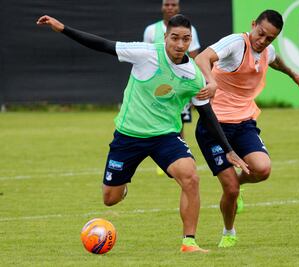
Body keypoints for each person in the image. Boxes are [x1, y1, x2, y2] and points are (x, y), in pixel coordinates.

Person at [36, 14, 249, 253]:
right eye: (175, 38)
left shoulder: (193, 76)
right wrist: (63, 28)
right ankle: (122, 186)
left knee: (191, 177)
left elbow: (207, 114)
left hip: (165, 137)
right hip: (128, 136)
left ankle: (189, 242)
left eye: (186, 39)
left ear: (191, 41)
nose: (180, 44)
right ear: (165, 36)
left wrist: (228, 150)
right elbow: (103, 45)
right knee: (110, 199)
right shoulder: (145, 53)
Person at [194, 10, 299, 248]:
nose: (262, 41)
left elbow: (274, 60)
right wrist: (211, 81)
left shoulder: (267, 50)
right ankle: (229, 231)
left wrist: (292, 74)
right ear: (253, 24)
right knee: (231, 189)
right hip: (214, 126)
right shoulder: (236, 44)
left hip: (244, 122)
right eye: (260, 33)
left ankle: (237, 186)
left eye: (269, 38)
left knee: (263, 169)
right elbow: (202, 58)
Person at [144, 0, 201, 139]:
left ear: (178, 7)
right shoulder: (151, 30)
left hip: (180, 87)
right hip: (157, 86)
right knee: (154, 121)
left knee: (178, 123)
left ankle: (179, 154)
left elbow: (195, 60)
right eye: (167, 4)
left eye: (173, 4)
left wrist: (195, 91)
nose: (170, 7)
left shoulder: (190, 30)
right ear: (162, 6)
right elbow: (146, 59)